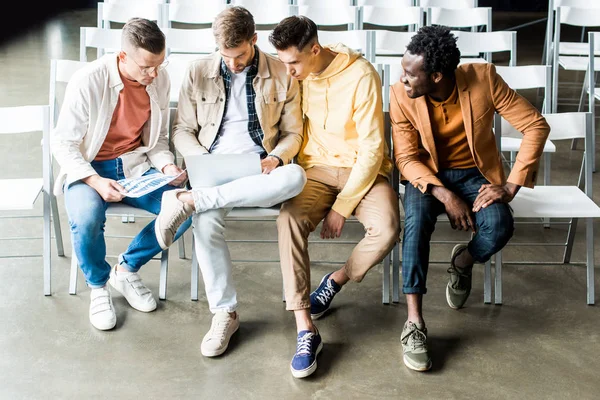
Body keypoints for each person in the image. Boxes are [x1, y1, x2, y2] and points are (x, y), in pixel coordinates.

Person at [390, 25, 550, 372]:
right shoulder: (400, 94)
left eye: (409, 74)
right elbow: (405, 158)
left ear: (435, 76)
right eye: (403, 71)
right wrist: (444, 194)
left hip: (475, 175)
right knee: (415, 226)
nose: (402, 79)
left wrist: (510, 187)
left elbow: (536, 125)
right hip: (427, 176)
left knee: (499, 227)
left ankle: (462, 262)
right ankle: (414, 323)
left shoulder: (483, 78)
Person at [153, 6, 305, 357]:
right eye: (226, 56)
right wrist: (201, 160)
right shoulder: (197, 71)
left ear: (254, 40)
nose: (233, 64)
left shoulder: (281, 72)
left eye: (239, 56)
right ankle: (225, 313)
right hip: (213, 165)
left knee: (295, 175)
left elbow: (293, 133)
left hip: (260, 168)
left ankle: (189, 200)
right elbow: (183, 130)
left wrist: (276, 158)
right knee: (206, 226)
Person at [268, 16, 401, 378]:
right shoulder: (297, 75)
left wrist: (342, 207)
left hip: (364, 171)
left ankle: (337, 280)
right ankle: (305, 327)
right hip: (317, 170)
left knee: (387, 228)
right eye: (282, 62)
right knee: (289, 220)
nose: (288, 69)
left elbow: (373, 149)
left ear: (315, 49)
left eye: (293, 61)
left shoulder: (362, 75)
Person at [51, 18, 192, 331]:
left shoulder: (159, 77)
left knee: (186, 207)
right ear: (123, 56)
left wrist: (167, 165)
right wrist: (96, 182)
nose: (154, 74)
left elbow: (156, 141)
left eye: (160, 64)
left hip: (135, 166)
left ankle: (126, 270)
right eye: (146, 67)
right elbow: (63, 143)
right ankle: (99, 286)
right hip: (89, 169)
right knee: (87, 219)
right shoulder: (88, 79)